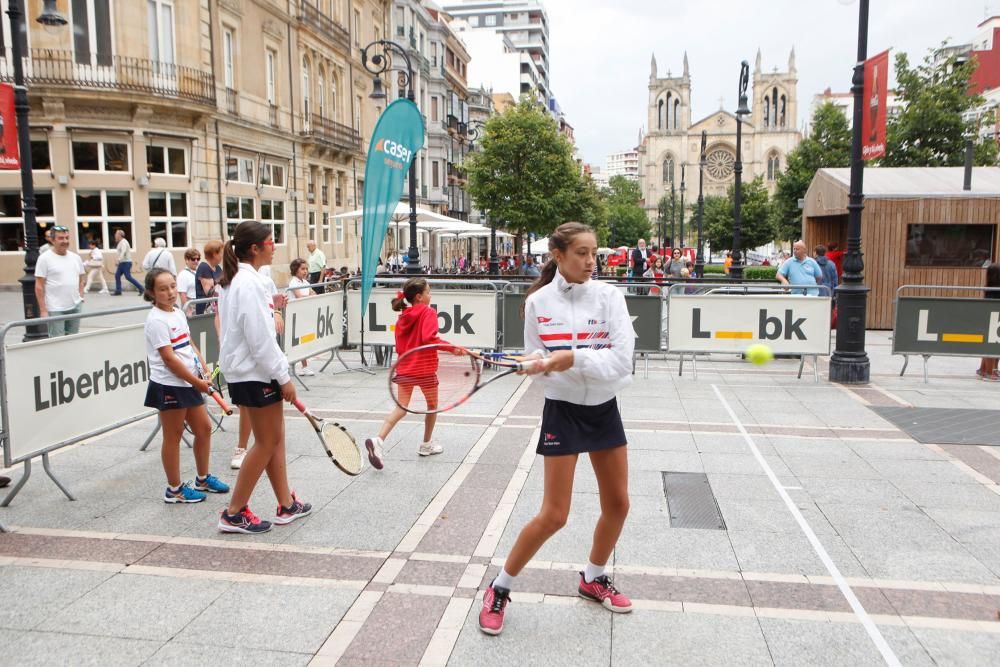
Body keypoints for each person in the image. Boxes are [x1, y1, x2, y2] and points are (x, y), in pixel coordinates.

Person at [479, 222, 635, 636]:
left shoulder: (609, 297)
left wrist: (574, 358)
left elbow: (622, 363)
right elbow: (536, 355)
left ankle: (593, 578)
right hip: (562, 410)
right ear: (557, 254)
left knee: (619, 504)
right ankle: (499, 587)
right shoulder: (538, 302)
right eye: (582, 253)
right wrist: (533, 365)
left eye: (594, 253)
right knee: (554, 515)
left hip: (603, 408)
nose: (590, 262)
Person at [217, 221, 311, 534]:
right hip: (255, 373)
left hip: (249, 371)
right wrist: (282, 376)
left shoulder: (239, 280)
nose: (274, 247)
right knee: (267, 441)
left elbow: (253, 329)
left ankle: (286, 504)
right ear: (255, 248)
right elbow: (259, 338)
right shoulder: (249, 283)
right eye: (271, 242)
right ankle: (234, 511)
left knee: (274, 439)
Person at [143, 267, 230, 503]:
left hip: (190, 381)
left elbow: (189, 343)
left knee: (203, 428)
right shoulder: (156, 321)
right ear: (152, 292)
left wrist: (203, 367)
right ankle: (174, 489)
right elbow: (169, 359)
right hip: (170, 385)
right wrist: (197, 383)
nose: (170, 292)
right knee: (173, 435)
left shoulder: (177, 313)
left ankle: (203, 478)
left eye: (172, 286)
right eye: (163, 289)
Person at [364, 278, 451, 469]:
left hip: (405, 367)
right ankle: (426, 444)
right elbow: (430, 338)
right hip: (424, 367)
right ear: (419, 297)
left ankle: (378, 440)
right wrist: (453, 348)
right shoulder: (428, 312)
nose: (431, 295)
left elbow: (401, 345)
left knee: (401, 408)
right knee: (432, 406)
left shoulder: (404, 315)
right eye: (428, 292)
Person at [35, 226, 85, 336]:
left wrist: (80, 298)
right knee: (57, 341)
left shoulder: (75, 258)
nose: (65, 241)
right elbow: (39, 285)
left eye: (67, 238)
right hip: (55, 308)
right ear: (52, 240)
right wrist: (43, 310)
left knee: (73, 338)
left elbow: (81, 280)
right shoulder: (44, 258)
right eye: (61, 238)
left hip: (75, 306)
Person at [287, 258, 315, 377]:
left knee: (303, 340)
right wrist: (309, 295)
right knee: (298, 341)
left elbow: (314, 293)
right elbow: (299, 296)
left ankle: (301, 365)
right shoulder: (293, 283)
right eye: (302, 269)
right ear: (295, 270)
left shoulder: (305, 282)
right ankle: (303, 366)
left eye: (306, 269)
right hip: (295, 316)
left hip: (304, 314)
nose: (305, 271)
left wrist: (310, 295)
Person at [978, 263, 1000, 381]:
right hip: (994, 321)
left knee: (991, 345)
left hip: (990, 320)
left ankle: (984, 369)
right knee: (993, 346)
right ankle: (991, 371)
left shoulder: (988, 288)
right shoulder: (995, 290)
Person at [112, 229, 144, 296]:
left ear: (120, 235)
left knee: (128, 277)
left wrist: (118, 260)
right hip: (122, 262)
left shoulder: (124, 242)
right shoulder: (120, 242)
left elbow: (123, 252)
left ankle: (141, 288)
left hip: (126, 262)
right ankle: (118, 291)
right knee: (117, 275)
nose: (115, 235)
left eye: (116, 234)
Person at [195, 240, 223, 315]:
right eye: (221, 253)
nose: (222, 255)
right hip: (205, 310)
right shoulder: (204, 267)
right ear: (214, 254)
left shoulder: (218, 268)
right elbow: (210, 292)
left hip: (216, 308)